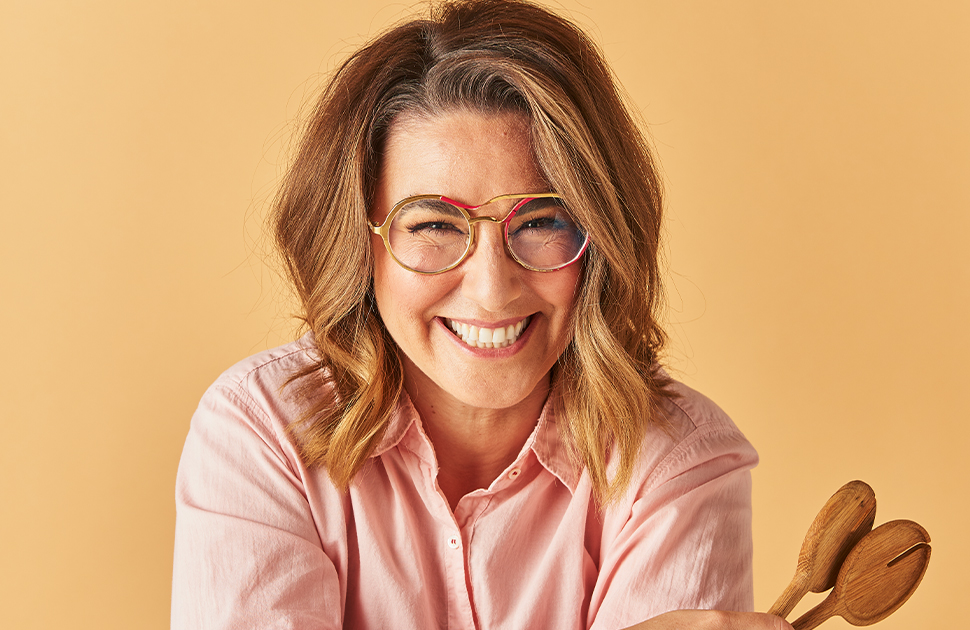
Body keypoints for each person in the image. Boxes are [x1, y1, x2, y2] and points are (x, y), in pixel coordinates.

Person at [171, 1, 792, 629]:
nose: (492, 290)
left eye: (542, 221)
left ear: (599, 238)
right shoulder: (265, 433)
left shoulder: (678, 460)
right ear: (362, 244)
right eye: (435, 224)